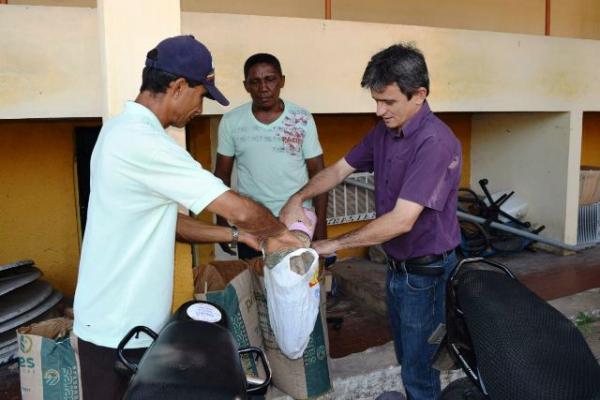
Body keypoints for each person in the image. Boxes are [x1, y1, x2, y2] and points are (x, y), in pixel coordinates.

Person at [72, 35, 302, 400]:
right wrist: (280, 234)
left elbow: (170, 223)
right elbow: (239, 208)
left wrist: (238, 237)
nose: (200, 107)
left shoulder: (118, 130)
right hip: (117, 329)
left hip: (118, 322)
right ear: (178, 86)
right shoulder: (146, 144)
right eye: (201, 95)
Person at [280, 43, 462, 400]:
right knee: (408, 356)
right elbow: (337, 170)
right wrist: (296, 198)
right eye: (375, 100)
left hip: (425, 274)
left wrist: (332, 244)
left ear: (419, 95)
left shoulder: (435, 142)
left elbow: (401, 221)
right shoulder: (385, 130)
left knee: (420, 367)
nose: (379, 111)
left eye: (388, 102)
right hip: (399, 268)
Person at [214, 53, 327, 260]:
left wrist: (321, 231)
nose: (263, 88)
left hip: (296, 220)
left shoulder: (301, 119)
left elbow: (319, 175)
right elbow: (222, 174)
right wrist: (222, 224)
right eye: (255, 82)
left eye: (270, 79)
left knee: (296, 285)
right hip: (252, 221)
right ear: (246, 85)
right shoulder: (231, 121)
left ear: (282, 81)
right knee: (258, 285)